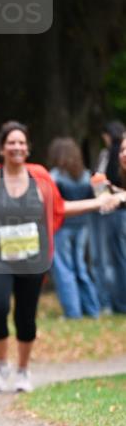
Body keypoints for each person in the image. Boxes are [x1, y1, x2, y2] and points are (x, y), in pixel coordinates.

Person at [0, 120, 121, 392]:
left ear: (28, 147)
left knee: (26, 315)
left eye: (21, 142)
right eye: (11, 142)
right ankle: (1, 363)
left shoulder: (40, 177)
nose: (17, 147)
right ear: (2, 148)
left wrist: (98, 202)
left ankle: (23, 369)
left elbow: (60, 207)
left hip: (31, 256)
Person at [47, 137, 100, 319]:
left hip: (61, 228)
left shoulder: (54, 176)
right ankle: (92, 309)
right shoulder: (87, 175)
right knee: (81, 268)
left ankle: (73, 312)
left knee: (63, 269)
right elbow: (99, 198)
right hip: (83, 227)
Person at [89, 120, 125, 312]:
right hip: (117, 209)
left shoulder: (108, 155)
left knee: (111, 260)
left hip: (113, 213)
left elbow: (99, 182)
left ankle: (115, 303)